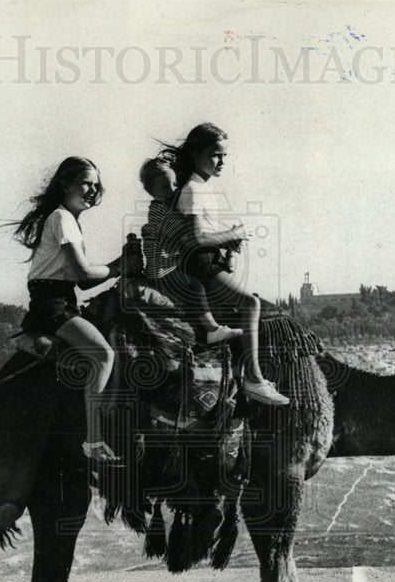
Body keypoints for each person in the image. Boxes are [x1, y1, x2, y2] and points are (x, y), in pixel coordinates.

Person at [158, 123, 289, 406]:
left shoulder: (202, 187)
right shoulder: (193, 189)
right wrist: (234, 234)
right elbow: (196, 238)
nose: (221, 161)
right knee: (250, 305)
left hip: (207, 259)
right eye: (216, 155)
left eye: (224, 156)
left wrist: (226, 242)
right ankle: (254, 379)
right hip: (200, 265)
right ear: (196, 156)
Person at [15, 156, 126, 464]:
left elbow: (84, 283)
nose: (92, 190)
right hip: (52, 305)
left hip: (60, 298)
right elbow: (84, 274)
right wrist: (118, 268)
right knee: (104, 355)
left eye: (96, 185)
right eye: (85, 183)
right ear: (66, 185)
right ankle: (93, 441)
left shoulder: (68, 220)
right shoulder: (62, 218)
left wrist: (118, 266)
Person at [138, 157, 241, 346]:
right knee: (194, 287)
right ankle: (211, 329)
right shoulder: (161, 213)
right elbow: (189, 237)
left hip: (170, 265)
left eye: (175, 184)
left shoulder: (169, 210)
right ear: (151, 191)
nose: (172, 191)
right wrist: (226, 238)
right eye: (164, 187)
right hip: (162, 270)